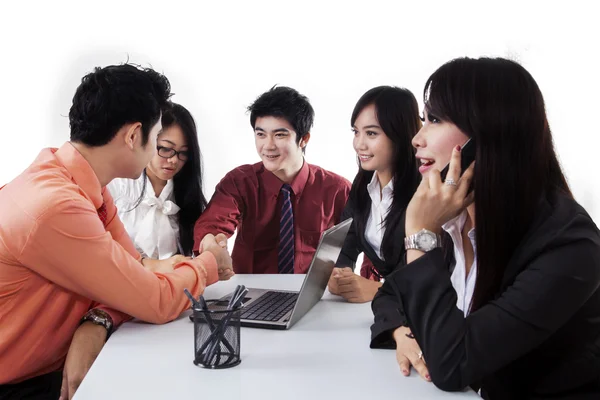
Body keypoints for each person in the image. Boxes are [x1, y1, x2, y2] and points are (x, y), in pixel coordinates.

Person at [370, 57, 600, 399]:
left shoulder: (570, 246)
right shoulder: (457, 214)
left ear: (487, 134)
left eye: (434, 120)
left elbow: (454, 366)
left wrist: (420, 234)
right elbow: (391, 294)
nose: (417, 138)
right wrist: (402, 333)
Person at [0, 64, 231, 399]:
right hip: (19, 385)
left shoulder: (78, 181)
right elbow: (155, 300)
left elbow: (131, 273)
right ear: (134, 135)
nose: (161, 153)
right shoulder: (58, 206)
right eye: (157, 138)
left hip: (46, 370)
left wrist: (97, 319)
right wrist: (208, 263)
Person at [193, 86, 368, 275]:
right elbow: (213, 223)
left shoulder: (337, 189)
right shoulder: (239, 182)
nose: (268, 146)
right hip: (250, 295)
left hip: (311, 297)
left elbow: (369, 239)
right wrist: (212, 244)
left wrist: (368, 284)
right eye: (260, 134)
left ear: (304, 139)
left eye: (280, 135)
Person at [107, 102, 233, 280]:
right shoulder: (117, 186)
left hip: (169, 293)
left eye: (183, 153)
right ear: (148, 140)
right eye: (166, 149)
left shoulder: (185, 196)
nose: (174, 160)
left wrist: (211, 256)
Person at [328, 86, 420, 303]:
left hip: (422, 313)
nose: (359, 144)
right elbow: (346, 244)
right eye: (356, 132)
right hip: (387, 311)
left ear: (400, 134)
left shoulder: (423, 192)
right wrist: (338, 276)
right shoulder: (364, 184)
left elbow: (427, 270)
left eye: (371, 133)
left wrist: (380, 289)